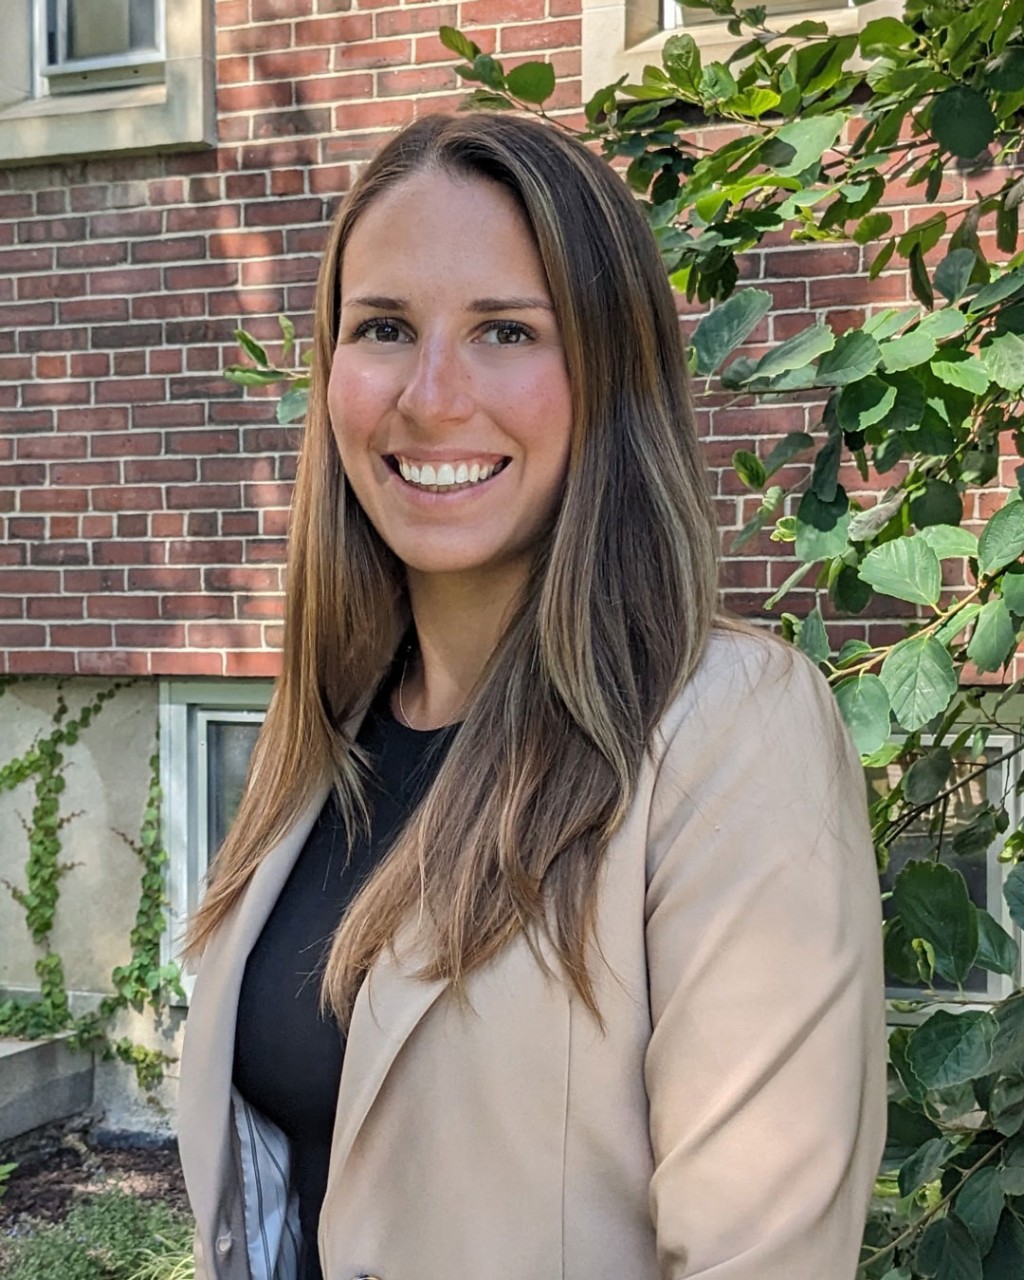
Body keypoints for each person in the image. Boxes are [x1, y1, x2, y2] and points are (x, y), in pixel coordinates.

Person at [177, 112, 886, 1280]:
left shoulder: (728, 730)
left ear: (611, 368)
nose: (432, 393)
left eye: (507, 328)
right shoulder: (329, 732)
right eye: (384, 327)